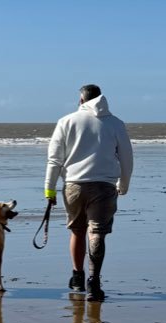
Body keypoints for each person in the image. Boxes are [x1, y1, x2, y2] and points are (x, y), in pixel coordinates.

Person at [44, 84, 133, 301]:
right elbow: (127, 158)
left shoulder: (66, 121)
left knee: (77, 231)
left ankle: (77, 277)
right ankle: (94, 281)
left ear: (81, 100)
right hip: (104, 185)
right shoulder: (116, 124)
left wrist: (49, 189)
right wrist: (124, 183)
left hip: (74, 184)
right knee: (97, 233)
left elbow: (55, 159)